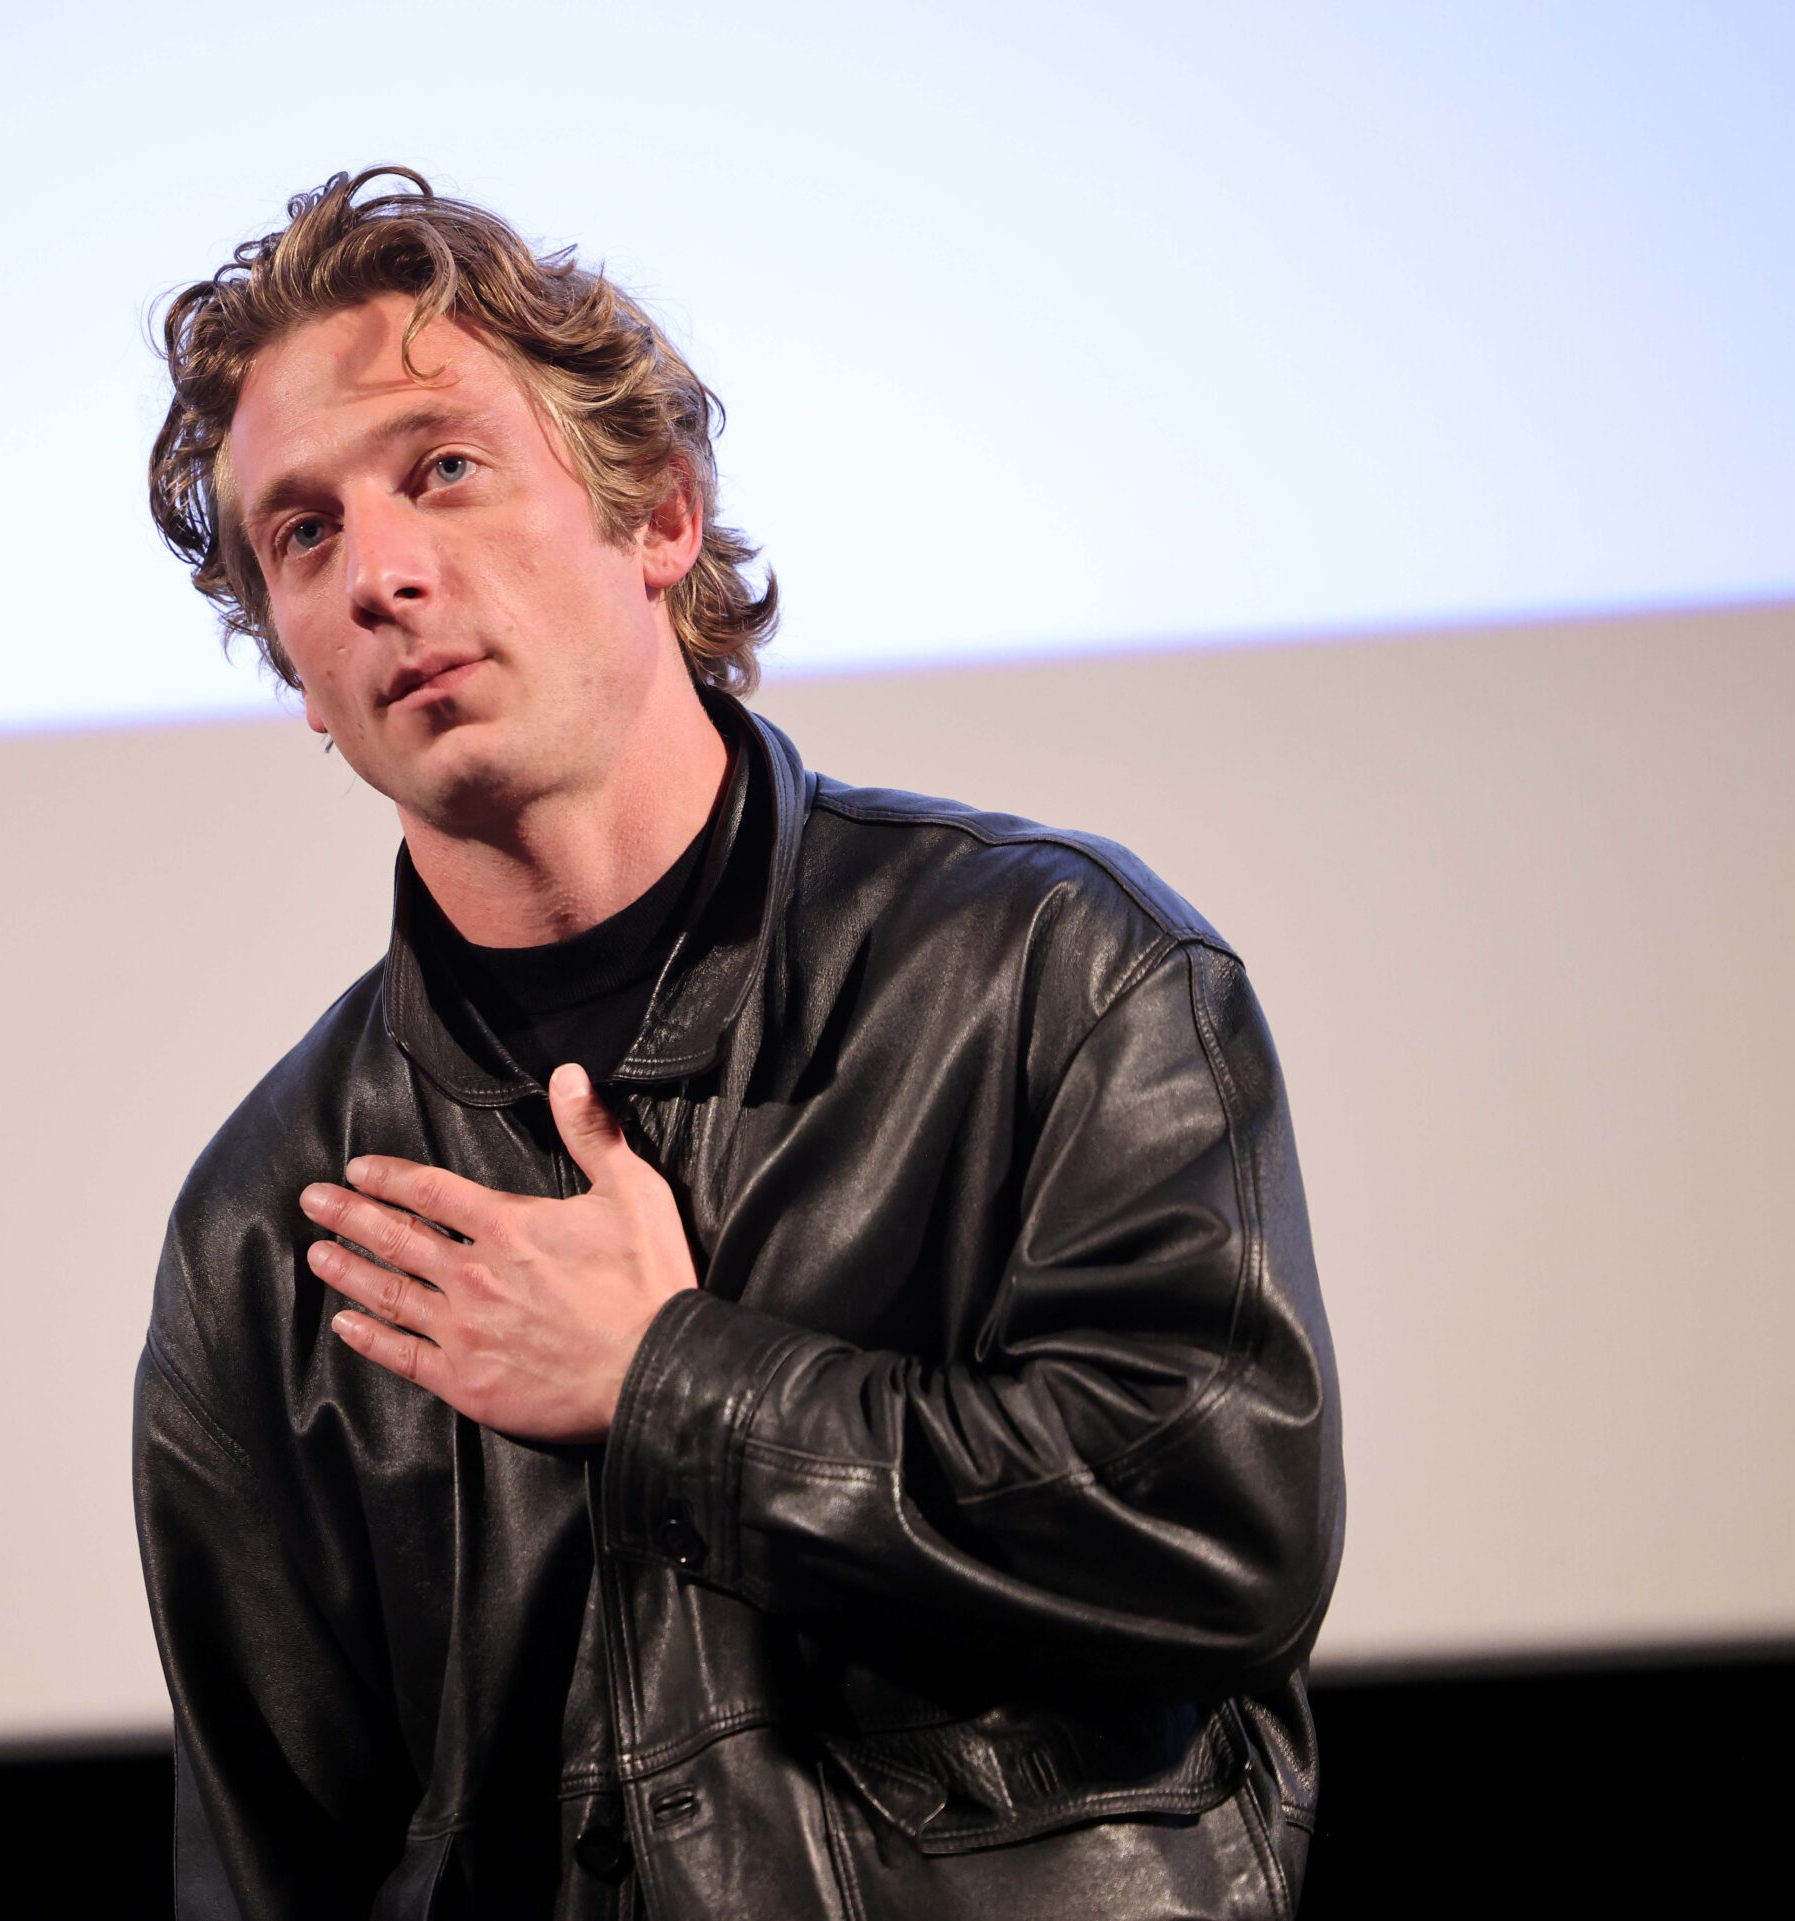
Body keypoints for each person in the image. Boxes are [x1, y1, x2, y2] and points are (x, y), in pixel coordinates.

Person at [132, 167, 1341, 1920]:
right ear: (301, 677)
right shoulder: (271, 1226)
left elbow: (1216, 1525)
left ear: (662, 516)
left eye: (443, 468)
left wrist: (664, 1383)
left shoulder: (1051, 970)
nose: (381, 569)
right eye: (302, 535)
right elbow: (270, 1864)